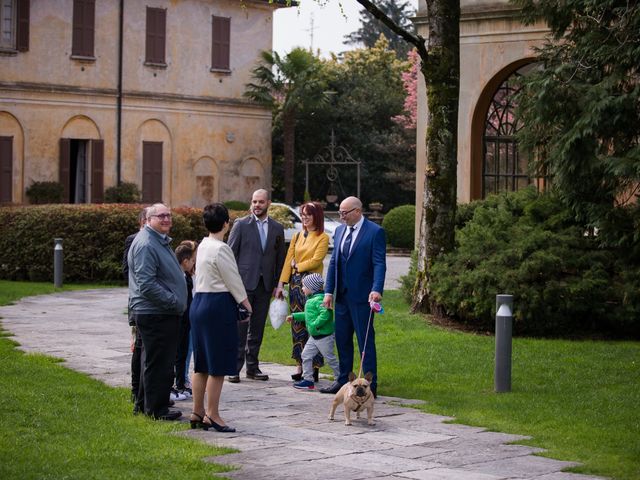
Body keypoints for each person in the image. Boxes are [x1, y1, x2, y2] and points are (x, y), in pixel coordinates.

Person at [189, 203, 252, 432]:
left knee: (202, 363)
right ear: (226, 223)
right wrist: (247, 304)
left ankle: (197, 411)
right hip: (217, 305)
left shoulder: (202, 245)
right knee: (217, 365)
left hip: (199, 304)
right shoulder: (221, 248)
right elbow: (232, 279)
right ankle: (212, 414)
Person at [320, 196, 386, 397]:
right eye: (340, 212)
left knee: (365, 341)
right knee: (342, 340)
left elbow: (379, 263)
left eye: (344, 213)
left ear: (358, 211)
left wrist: (376, 289)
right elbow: (334, 263)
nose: (341, 217)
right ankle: (343, 381)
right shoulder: (340, 231)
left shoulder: (375, 232)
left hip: (363, 297)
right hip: (341, 296)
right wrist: (329, 291)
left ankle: (369, 385)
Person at [127, 203, 187, 420]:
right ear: (148, 219)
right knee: (159, 363)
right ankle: (157, 410)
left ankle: (145, 404)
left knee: (153, 360)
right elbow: (146, 283)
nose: (166, 219)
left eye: (169, 215)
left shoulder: (157, 240)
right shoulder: (146, 243)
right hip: (156, 312)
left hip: (159, 312)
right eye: (161, 216)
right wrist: (172, 301)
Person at [227, 189, 285, 383]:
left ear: (268, 202)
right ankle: (234, 368)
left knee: (257, 328)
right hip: (243, 285)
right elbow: (230, 255)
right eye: (254, 201)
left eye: (260, 202)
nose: (257, 205)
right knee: (240, 327)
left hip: (265, 285)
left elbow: (280, 259)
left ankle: (253, 368)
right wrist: (231, 284)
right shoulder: (241, 225)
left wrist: (279, 285)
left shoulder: (277, 228)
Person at [275, 202, 329, 382]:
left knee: (312, 324)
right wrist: (282, 284)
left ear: (316, 216)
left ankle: (313, 367)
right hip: (296, 286)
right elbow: (288, 260)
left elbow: (316, 260)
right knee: (297, 325)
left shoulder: (323, 237)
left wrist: (297, 266)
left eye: (308, 215)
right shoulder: (297, 236)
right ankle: (299, 365)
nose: (304, 218)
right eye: (302, 214)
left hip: (313, 286)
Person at [286, 273, 339, 391]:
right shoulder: (311, 300)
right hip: (314, 337)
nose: (302, 288)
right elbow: (309, 316)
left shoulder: (320, 299)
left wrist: (315, 325)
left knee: (330, 358)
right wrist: (295, 316)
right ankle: (308, 380)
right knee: (305, 355)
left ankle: (340, 378)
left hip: (323, 336)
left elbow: (326, 314)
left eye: (304, 286)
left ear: (312, 288)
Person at [122, 207, 147, 407]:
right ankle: (136, 389)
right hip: (140, 302)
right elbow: (126, 270)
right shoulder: (134, 240)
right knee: (138, 346)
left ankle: (145, 391)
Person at [172, 240, 197, 400]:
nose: (194, 263)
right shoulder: (179, 277)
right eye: (193, 260)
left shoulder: (187, 276)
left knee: (183, 352)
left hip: (187, 321)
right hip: (180, 320)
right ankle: (177, 384)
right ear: (186, 261)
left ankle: (181, 383)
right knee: (178, 353)